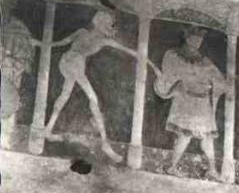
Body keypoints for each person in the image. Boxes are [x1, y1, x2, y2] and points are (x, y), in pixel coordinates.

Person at [43, 11, 161, 163]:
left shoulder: (101, 40)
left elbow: (132, 52)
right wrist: (40, 43)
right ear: (99, 23)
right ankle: (105, 144)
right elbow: (60, 43)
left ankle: (48, 129)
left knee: (65, 95)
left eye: (109, 25)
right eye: (107, 24)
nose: (109, 27)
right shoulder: (86, 34)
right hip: (73, 63)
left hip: (69, 63)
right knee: (93, 100)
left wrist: (154, 67)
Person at [154, 25, 230, 180]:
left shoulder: (205, 61)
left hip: (203, 104)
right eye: (195, 38)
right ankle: (172, 167)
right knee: (185, 136)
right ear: (187, 37)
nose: (198, 42)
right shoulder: (173, 55)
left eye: (200, 39)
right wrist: (177, 86)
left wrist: (215, 86)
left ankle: (212, 170)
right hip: (186, 101)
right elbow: (169, 75)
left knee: (207, 137)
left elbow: (220, 81)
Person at [0, 0, 35, 149]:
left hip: (10, 73)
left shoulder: (19, 28)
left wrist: (8, 59)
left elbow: (25, 56)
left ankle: (5, 138)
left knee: (9, 105)